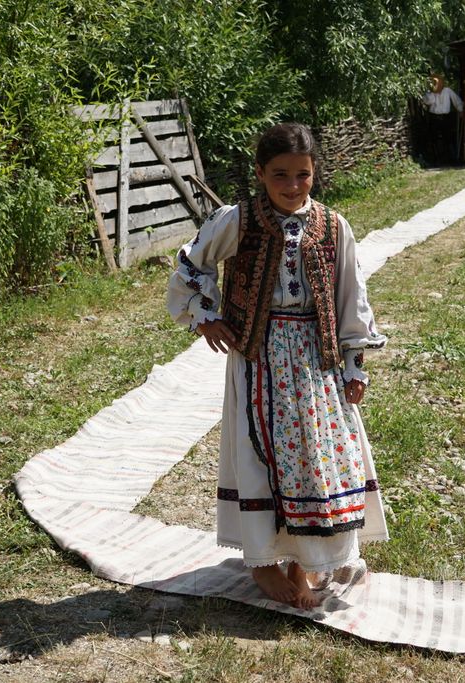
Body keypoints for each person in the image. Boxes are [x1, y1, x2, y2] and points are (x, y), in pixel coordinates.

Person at [167, 123, 390, 610]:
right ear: (260, 174)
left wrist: (354, 363)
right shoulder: (238, 221)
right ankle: (264, 559)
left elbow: (351, 294)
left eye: (302, 175)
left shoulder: (333, 226)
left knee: (318, 453)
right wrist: (205, 316)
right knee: (261, 452)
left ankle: (303, 561)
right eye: (280, 175)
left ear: (315, 172)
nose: (292, 186)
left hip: (315, 356)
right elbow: (191, 263)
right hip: (258, 356)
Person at [422, 73, 464, 165]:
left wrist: (460, 110)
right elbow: (429, 101)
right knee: (434, 138)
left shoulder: (447, 91)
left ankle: (452, 159)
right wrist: (433, 91)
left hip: (445, 117)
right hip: (434, 117)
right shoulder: (429, 93)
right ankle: (436, 159)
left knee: (448, 137)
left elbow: (457, 100)